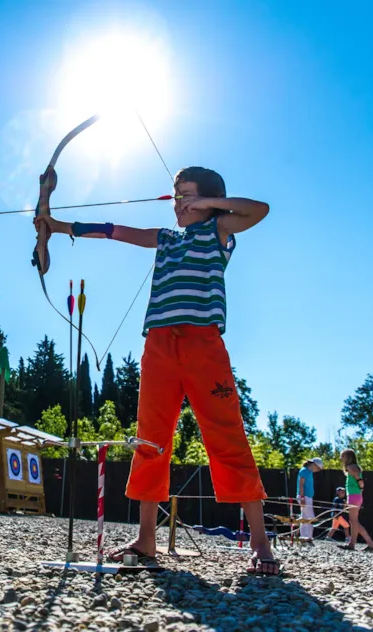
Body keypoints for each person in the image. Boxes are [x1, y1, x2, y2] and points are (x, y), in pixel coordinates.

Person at [34, 166, 276, 574]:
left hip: (203, 345)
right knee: (150, 439)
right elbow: (115, 230)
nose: (179, 201)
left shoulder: (219, 233)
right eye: (176, 194)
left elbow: (260, 209)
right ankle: (147, 539)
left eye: (186, 194)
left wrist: (208, 205)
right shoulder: (166, 239)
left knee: (226, 433)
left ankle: (260, 543)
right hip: (159, 345)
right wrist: (54, 226)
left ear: (208, 198)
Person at [340, 448, 373, 551]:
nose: (341, 458)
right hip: (354, 495)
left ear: (348, 457)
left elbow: (360, 481)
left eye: (343, 456)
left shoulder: (351, 467)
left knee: (354, 521)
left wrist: (360, 488)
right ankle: (365, 543)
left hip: (354, 495)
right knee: (354, 521)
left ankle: (358, 544)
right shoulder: (352, 467)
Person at [297, 457, 324, 541]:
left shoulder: (308, 472)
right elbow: (301, 484)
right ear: (314, 465)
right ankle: (308, 537)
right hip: (304, 497)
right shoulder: (305, 471)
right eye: (317, 468)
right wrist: (302, 497)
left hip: (307, 497)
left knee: (304, 517)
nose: (317, 470)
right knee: (310, 518)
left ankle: (304, 537)